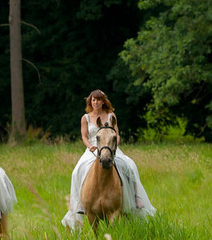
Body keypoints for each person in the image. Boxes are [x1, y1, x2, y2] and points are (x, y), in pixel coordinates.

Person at [61, 89, 156, 229]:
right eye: (93, 100)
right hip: (93, 148)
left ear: (103, 101)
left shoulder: (111, 116)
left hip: (110, 148)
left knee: (130, 166)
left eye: (98, 99)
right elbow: (84, 136)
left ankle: (136, 198)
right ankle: (79, 205)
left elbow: (117, 134)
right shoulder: (85, 118)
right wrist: (90, 147)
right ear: (90, 102)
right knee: (76, 171)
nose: (96, 102)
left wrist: (114, 146)